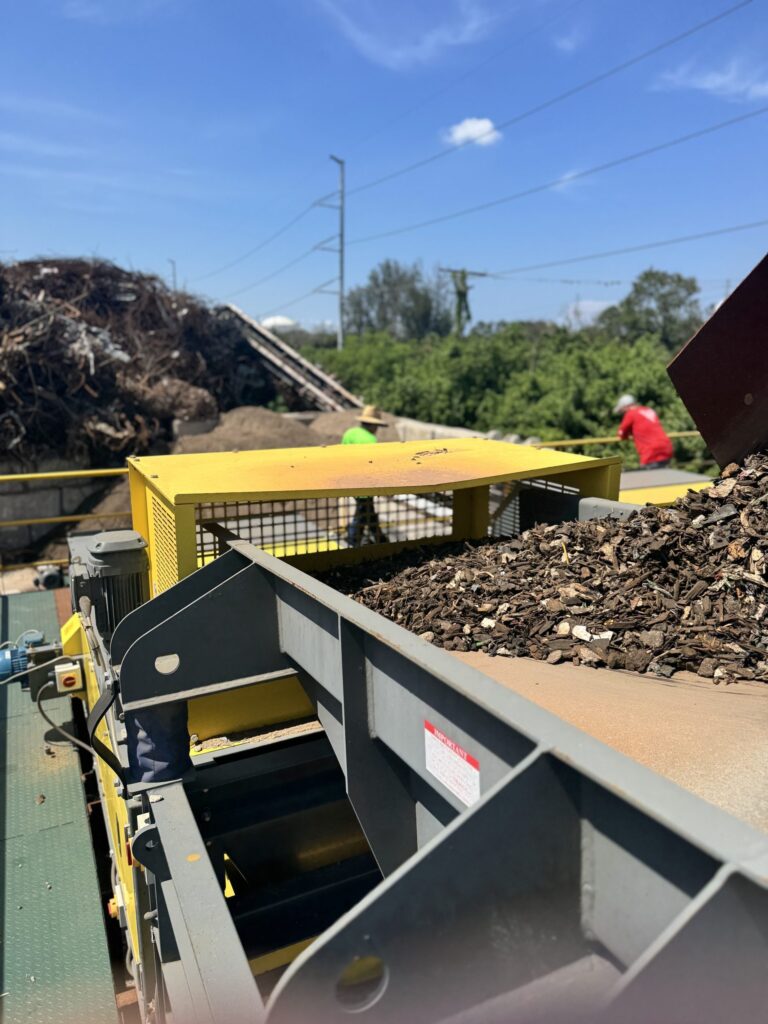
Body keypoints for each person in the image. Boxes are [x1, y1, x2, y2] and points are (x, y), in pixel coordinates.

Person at [342, 405, 389, 546]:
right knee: (364, 512)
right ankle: (354, 541)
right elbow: (373, 465)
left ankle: (379, 537)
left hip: (349, 479)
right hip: (365, 483)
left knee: (366, 511)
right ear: (373, 425)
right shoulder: (371, 439)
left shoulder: (349, 433)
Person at [613, 394, 673, 469]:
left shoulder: (631, 413)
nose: (623, 413)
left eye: (622, 411)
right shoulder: (648, 409)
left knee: (648, 478)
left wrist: (628, 433)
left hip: (651, 452)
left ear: (625, 407)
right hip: (666, 447)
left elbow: (621, 434)